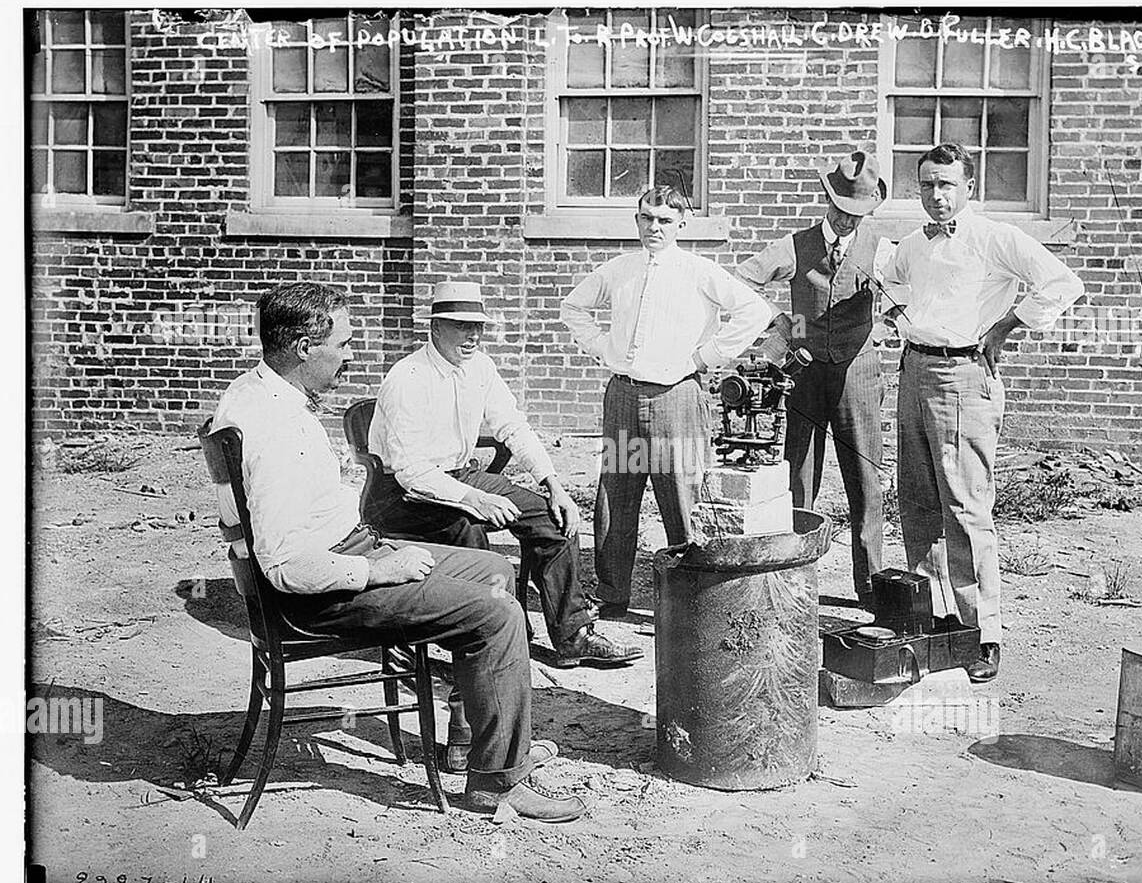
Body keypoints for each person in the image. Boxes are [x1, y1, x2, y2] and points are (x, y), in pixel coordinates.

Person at [211, 281, 586, 822]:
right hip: (328, 589)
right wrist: (377, 568)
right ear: (302, 348)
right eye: (341, 345)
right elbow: (287, 567)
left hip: (349, 545)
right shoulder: (273, 426)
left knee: (495, 570)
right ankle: (497, 784)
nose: (350, 356)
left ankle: (472, 740)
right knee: (499, 613)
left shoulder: (263, 394)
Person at [880, 143, 1084, 682]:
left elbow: (1063, 283)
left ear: (969, 186)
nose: (936, 195)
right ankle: (935, 618)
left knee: (966, 507)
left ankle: (982, 632)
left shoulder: (997, 238)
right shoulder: (913, 245)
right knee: (918, 501)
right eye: (926, 184)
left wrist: (1005, 327)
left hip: (965, 377)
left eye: (946, 184)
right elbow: (891, 278)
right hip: (915, 371)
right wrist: (904, 315)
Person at [366, 280, 642, 671]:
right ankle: (488, 636)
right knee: (468, 526)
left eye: (477, 326)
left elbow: (512, 426)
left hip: (459, 475)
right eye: (461, 326)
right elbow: (412, 471)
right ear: (435, 328)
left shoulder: (480, 366)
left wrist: (554, 485)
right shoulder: (406, 378)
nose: (473, 336)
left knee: (552, 518)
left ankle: (573, 634)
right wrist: (476, 499)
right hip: (400, 495)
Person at [561, 186, 774, 618]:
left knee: (681, 493)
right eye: (646, 218)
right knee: (617, 495)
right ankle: (613, 593)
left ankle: (690, 596)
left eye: (663, 220)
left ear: (681, 224)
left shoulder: (699, 271)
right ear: (637, 221)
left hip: (676, 399)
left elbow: (755, 311)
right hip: (623, 397)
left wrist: (704, 357)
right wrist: (604, 349)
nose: (653, 227)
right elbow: (573, 307)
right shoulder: (620, 270)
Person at [736, 148, 891, 610]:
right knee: (798, 473)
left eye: (857, 215)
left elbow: (911, 291)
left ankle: (871, 584)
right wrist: (782, 324)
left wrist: (881, 326)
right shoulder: (794, 245)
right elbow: (742, 280)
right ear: (828, 201)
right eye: (842, 211)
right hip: (802, 371)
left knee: (865, 479)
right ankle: (792, 576)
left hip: (857, 375)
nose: (847, 222)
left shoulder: (883, 249)